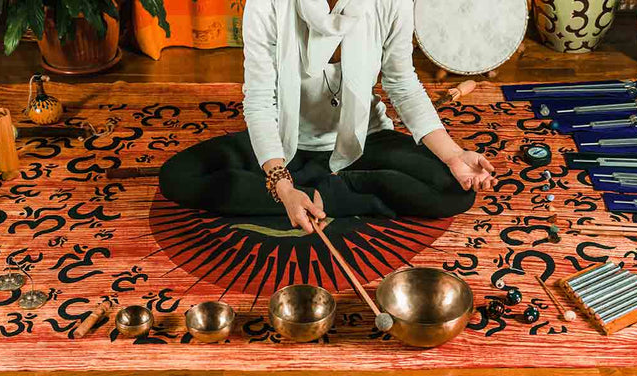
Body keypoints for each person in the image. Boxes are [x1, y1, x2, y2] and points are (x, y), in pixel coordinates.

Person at [157, 0, 498, 234]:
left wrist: (453, 155)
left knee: (456, 191)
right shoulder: (266, 5)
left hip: (363, 140)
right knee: (178, 177)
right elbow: (260, 100)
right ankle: (306, 192)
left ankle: (329, 192)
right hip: (286, 142)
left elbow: (402, 84)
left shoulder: (391, 2)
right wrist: (281, 184)